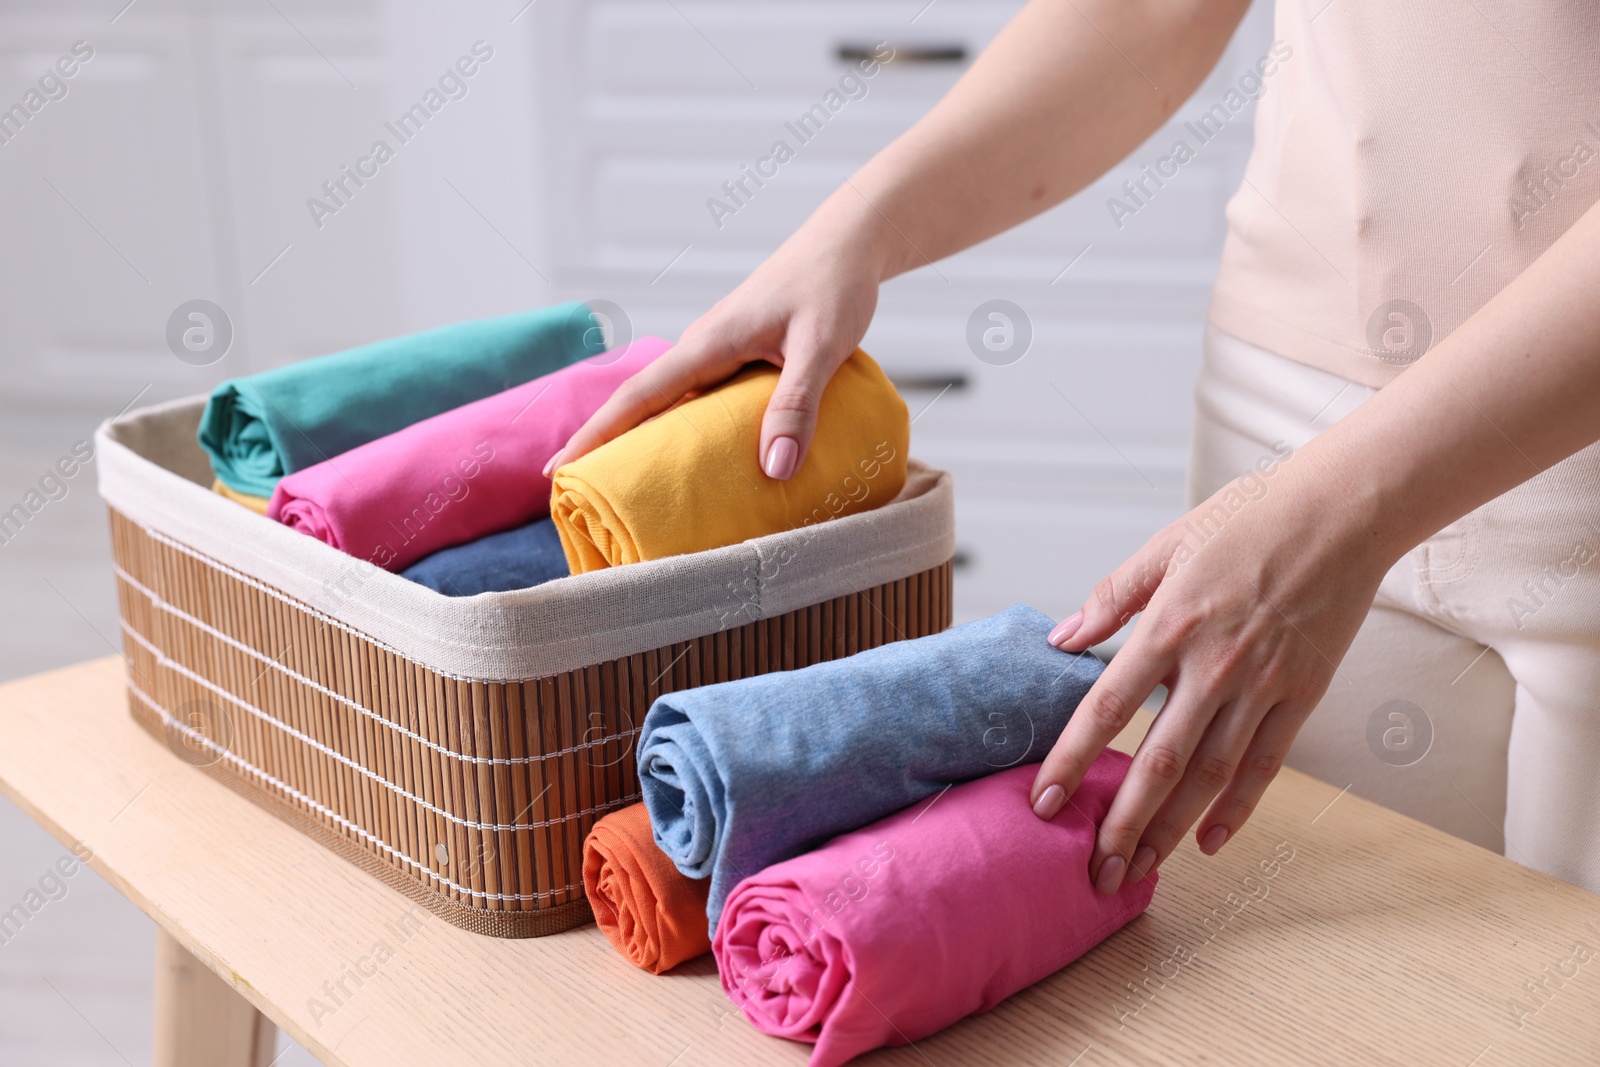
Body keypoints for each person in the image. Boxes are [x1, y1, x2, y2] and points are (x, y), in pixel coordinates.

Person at [547, 0, 1600, 895]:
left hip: (1549, 459)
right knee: (1298, 983)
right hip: (1278, 428)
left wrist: (1342, 509)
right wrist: (861, 227)